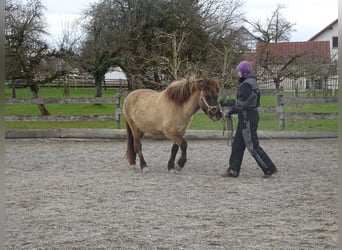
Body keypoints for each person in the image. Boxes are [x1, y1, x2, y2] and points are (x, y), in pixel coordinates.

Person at [220, 61, 278, 178]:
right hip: (246, 116)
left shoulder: (246, 85)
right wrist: (232, 111)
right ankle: (233, 169)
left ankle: (269, 168)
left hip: (247, 118)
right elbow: (247, 103)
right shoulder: (251, 82)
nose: (238, 73)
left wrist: (227, 103)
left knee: (252, 146)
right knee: (237, 145)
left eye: (239, 71)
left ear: (243, 71)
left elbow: (241, 103)